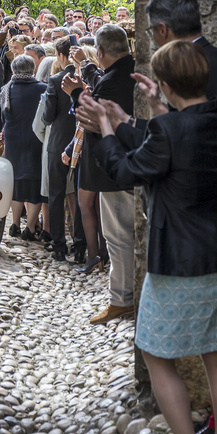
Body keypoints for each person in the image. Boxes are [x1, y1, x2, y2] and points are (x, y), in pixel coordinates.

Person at [80, 41, 217, 434]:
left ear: (163, 84)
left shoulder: (169, 131)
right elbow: (169, 140)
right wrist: (139, 119)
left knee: (155, 352)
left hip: (177, 261)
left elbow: (128, 171)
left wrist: (105, 130)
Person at [66, 23, 136, 324]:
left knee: (118, 235)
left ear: (103, 51)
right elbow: (102, 77)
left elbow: (93, 117)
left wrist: (76, 93)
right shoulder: (129, 69)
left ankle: (122, 299)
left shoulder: (113, 81)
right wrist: (87, 67)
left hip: (115, 170)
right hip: (131, 164)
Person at [42, 38, 85, 263]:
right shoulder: (85, 79)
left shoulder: (56, 79)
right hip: (82, 142)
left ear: (61, 56)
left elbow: (47, 116)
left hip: (58, 142)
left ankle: (59, 245)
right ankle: (80, 247)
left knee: (56, 195)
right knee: (80, 196)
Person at [0, 54, 46, 239]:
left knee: (16, 182)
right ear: (33, 69)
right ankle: (31, 228)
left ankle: (15, 224)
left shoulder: (6, 89)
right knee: (35, 184)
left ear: (13, 71)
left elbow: (4, 118)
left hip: (14, 141)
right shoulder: (43, 88)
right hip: (36, 140)